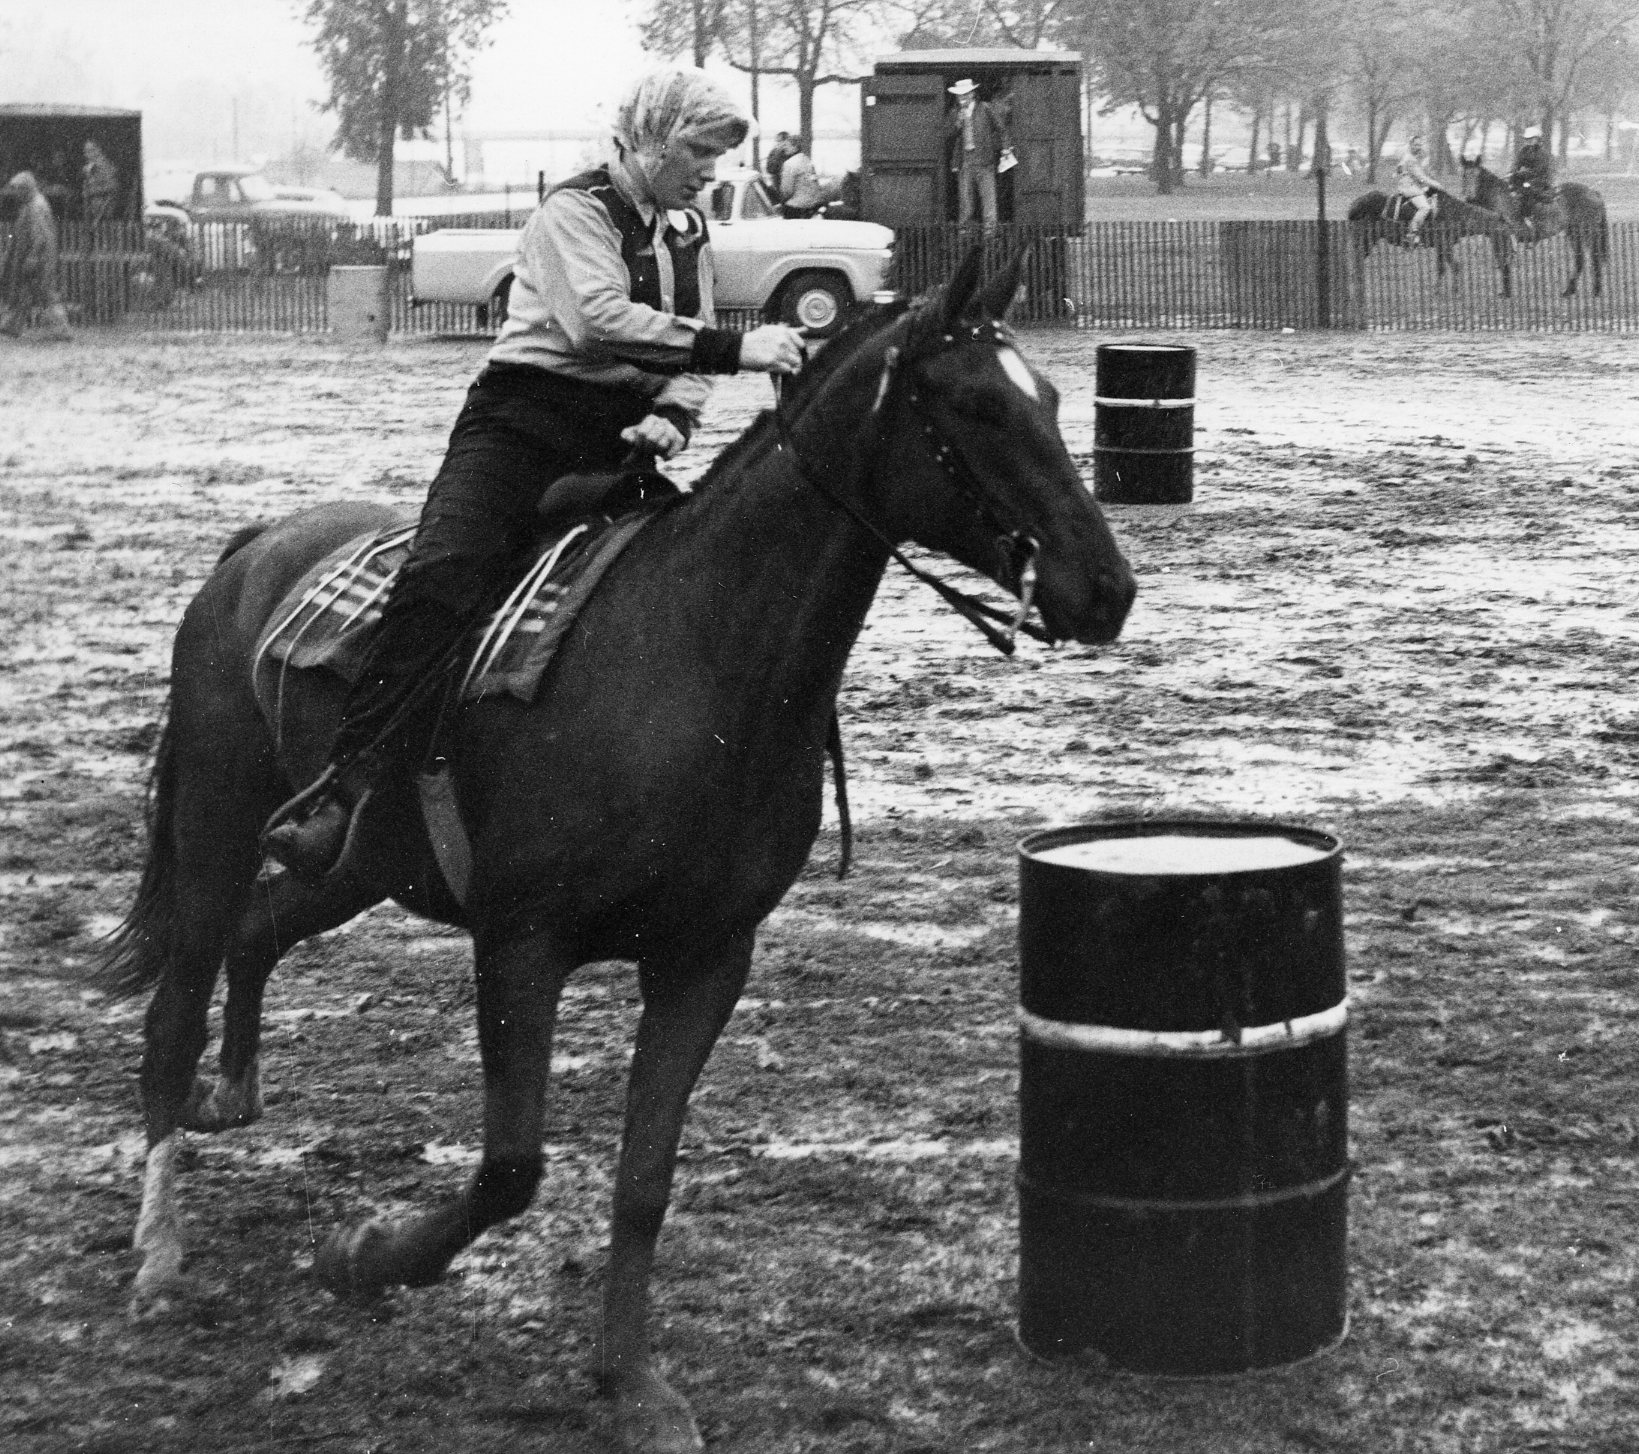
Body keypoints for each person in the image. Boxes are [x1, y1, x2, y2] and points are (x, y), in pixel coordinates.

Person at [262, 67, 807, 879]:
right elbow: (597, 323)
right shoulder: (573, 212)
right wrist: (735, 351)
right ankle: (343, 791)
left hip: (621, 432)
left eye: (719, 156)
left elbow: (683, 334)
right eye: (697, 151)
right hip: (521, 425)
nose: (709, 171)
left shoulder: (687, 226)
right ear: (647, 140)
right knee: (444, 573)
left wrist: (677, 413)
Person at [0, 172, 72, 340]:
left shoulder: (36, 206)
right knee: (22, 291)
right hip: (32, 256)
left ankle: (62, 329)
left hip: (38, 258)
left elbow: (40, 235)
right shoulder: (30, 204)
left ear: (26, 188)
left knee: (45, 292)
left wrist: (33, 256)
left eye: (18, 189)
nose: (15, 194)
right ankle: (11, 325)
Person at [945, 78, 1011, 234]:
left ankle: (990, 230)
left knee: (988, 197)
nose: (962, 99)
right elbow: (948, 134)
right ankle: (965, 230)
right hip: (965, 161)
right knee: (966, 199)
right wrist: (957, 123)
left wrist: (1006, 148)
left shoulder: (985, 108)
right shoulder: (956, 113)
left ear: (972, 94)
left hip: (984, 160)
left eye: (965, 95)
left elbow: (1001, 129)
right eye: (959, 96)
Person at [1392, 134, 1440, 244]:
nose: (1418, 147)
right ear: (1410, 145)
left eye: (1419, 145)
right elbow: (1420, 177)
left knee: (1432, 198)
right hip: (1410, 188)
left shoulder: (1411, 157)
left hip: (1415, 186)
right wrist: (1435, 184)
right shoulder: (1410, 159)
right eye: (1415, 145)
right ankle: (1412, 233)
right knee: (1425, 207)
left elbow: (1400, 169)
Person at [1510, 124, 1553, 235]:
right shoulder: (1523, 151)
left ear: (1537, 139)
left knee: (1527, 191)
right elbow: (1516, 164)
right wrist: (1514, 171)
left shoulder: (1542, 153)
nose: (1528, 141)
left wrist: (1524, 172)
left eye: (1531, 139)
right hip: (1524, 179)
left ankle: (1530, 218)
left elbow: (1539, 170)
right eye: (1527, 139)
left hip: (1540, 180)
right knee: (1511, 188)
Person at [776, 139, 822, 218]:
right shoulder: (807, 160)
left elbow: (786, 191)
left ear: (795, 147)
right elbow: (815, 183)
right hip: (812, 205)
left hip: (796, 207)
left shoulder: (789, 164)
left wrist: (781, 201)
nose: (784, 148)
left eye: (787, 145)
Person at [82, 140, 119, 225]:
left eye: (91, 150)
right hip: (92, 209)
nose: (87, 154)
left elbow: (113, 186)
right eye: (86, 151)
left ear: (99, 150)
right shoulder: (90, 167)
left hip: (104, 209)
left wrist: (91, 191)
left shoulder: (106, 166)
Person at [764, 131, 796, 195]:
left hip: (791, 186)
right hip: (777, 185)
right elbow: (770, 169)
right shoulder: (774, 152)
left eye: (779, 141)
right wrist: (778, 153)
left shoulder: (792, 153)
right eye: (776, 141)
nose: (776, 144)